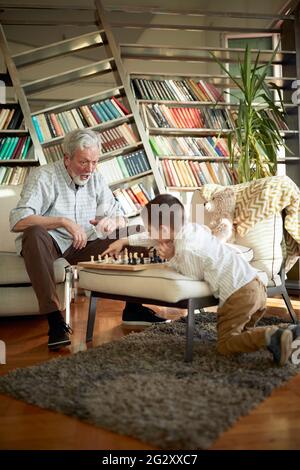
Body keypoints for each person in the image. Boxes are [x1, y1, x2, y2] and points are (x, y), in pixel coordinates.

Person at [9, 129, 168, 351]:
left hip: (85, 244)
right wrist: (63, 221)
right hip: (49, 243)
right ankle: (55, 322)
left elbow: (118, 214)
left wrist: (114, 222)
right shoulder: (44, 176)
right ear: (67, 158)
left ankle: (133, 308)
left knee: (138, 231)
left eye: (94, 162)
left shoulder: (96, 178)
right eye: (84, 162)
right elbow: (18, 220)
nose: (90, 169)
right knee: (33, 233)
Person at [102, 193, 300, 366]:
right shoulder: (193, 229)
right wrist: (125, 240)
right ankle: (284, 335)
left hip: (238, 295)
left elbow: (191, 273)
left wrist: (172, 256)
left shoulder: (186, 248)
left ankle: (274, 336)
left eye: (150, 228)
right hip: (256, 286)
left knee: (226, 344)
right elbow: (153, 237)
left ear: (162, 230)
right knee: (243, 337)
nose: (149, 235)